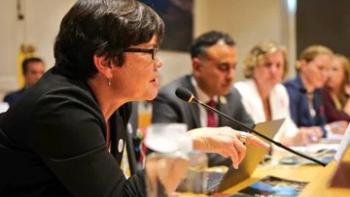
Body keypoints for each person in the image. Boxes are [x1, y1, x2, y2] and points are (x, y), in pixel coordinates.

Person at [0, 1, 268, 196]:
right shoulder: (59, 107)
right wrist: (192, 142)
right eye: (151, 51)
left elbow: (124, 185)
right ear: (106, 61)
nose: (159, 63)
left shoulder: (115, 102)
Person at [152, 31, 255, 166]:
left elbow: (251, 135)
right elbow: (163, 155)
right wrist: (227, 152)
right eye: (223, 67)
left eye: (233, 67)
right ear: (197, 66)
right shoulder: (170, 98)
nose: (231, 76)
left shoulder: (232, 95)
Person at [235, 41, 324, 145]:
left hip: (275, 156)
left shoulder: (280, 91)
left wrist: (300, 134)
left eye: (278, 65)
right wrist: (287, 142)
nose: (274, 70)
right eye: (268, 65)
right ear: (253, 66)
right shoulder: (241, 91)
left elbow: (287, 126)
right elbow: (252, 136)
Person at [283, 45, 347, 137]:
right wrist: (327, 129)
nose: (325, 74)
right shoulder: (289, 90)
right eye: (320, 68)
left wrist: (325, 130)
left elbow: (321, 124)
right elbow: (292, 130)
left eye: (327, 70)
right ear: (304, 65)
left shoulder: (317, 92)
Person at [321, 54, 350, 123]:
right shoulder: (321, 93)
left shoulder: (346, 93)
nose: (329, 74)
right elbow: (339, 120)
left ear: (345, 74)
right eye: (327, 69)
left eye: (335, 70)